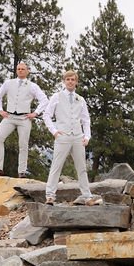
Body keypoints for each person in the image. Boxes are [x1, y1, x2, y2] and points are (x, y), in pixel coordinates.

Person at [42, 70, 101, 206]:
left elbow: (86, 120)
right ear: (64, 81)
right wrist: (54, 131)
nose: (70, 81)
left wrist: (87, 136)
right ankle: (50, 196)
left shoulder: (80, 99)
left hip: (78, 137)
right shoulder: (56, 97)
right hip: (62, 136)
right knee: (56, 166)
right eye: (68, 79)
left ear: (76, 82)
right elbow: (46, 115)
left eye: (72, 79)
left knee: (82, 168)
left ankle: (87, 196)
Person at [0, 61, 48, 178]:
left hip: (24, 118)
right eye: (19, 69)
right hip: (9, 116)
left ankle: (22, 172)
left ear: (27, 71)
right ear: (16, 70)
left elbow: (44, 100)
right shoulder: (9, 83)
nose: (20, 70)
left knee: (23, 144)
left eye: (23, 69)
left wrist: (35, 113)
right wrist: (0, 110)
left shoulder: (32, 86)